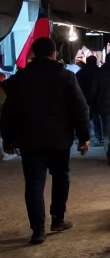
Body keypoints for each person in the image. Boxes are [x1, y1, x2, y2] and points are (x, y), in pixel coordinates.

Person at [1, 37, 90, 244]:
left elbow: (8, 112)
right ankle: (57, 220)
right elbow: (80, 108)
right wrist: (83, 137)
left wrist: (7, 138)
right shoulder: (66, 77)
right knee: (61, 177)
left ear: (33, 54)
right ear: (53, 54)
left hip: (29, 140)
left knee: (34, 183)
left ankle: (38, 230)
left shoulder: (18, 79)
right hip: (59, 139)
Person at [76, 55, 104, 146]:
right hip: (96, 99)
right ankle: (99, 136)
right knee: (96, 118)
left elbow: (76, 87)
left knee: (84, 119)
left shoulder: (80, 73)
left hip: (83, 98)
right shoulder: (100, 72)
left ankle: (85, 137)